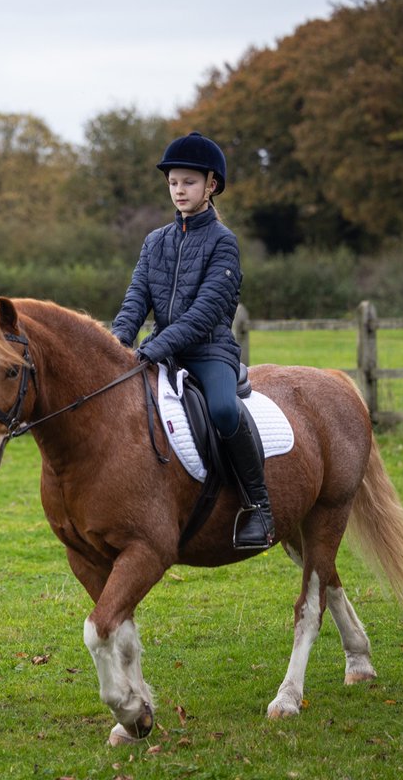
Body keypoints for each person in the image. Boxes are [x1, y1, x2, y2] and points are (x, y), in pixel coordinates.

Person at [109, 132, 274, 550]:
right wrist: (115, 346)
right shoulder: (155, 241)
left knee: (221, 409)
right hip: (160, 350)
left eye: (189, 182)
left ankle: (260, 506)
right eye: (173, 183)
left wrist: (152, 347)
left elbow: (204, 314)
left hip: (208, 352)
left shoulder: (224, 242)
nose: (179, 191)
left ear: (211, 185)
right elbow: (135, 300)